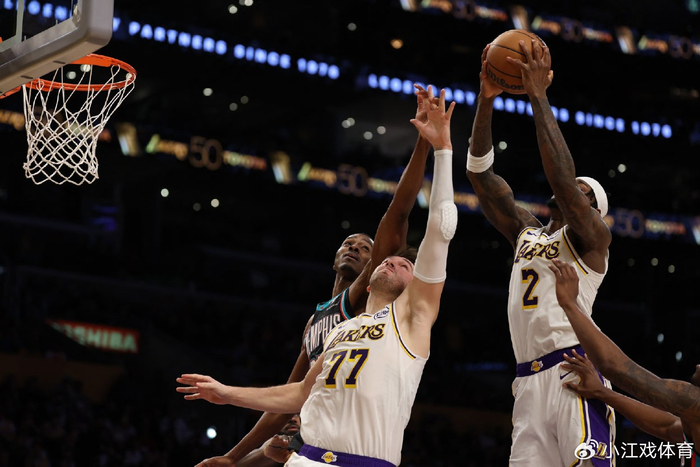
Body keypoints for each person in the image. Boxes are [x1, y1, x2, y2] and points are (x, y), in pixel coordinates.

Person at [176, 89, 457, 467]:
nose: (356, 248)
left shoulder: (385, 305)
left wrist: (430, 145)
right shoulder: (324, 324)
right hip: (312, 445)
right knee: (270, 450)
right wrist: (231, 443)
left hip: (357, 448)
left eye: (367, 247)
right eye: (348, 242)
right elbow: (293, 394)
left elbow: (403, 213)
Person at [466, 40, 614, 466]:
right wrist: (487, 99)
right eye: (577, 191)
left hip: (573, 367)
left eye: (585, 196)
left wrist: (537, 95)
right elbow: (480, 175)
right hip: (526, 381)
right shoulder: (525, 231)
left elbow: (563, 182)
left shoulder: (593, 240)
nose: (575, 195)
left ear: (594, 211)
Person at [549, 258, 700, 463]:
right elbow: (667, 427)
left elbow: (614, 366)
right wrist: (602, 392)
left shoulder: (695, 403)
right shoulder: (694, 417)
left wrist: (570, 304)